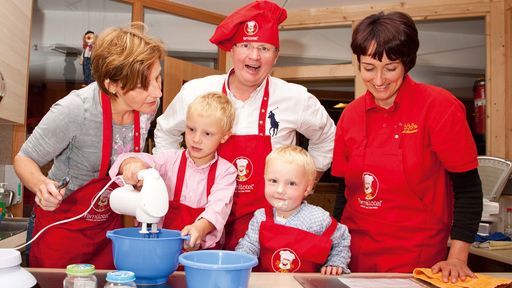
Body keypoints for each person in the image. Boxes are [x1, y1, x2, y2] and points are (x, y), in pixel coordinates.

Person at [154, 0, 336, 250]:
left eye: (264, 48)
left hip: (266, 227)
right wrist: (176, 182)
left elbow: (327, 137)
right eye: (246, 45)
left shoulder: (296, 98)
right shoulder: (195, 91)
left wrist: (309, 179)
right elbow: (165, 132)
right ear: (231, 49)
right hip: (200, 221)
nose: (254, 55)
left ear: (276, 56)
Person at [331, 11, 483, 283]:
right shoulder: (350, 116)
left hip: (419, 261)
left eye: (390, 68)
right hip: (354, 259)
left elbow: (468, 188)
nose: (378, 80)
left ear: (407, 63)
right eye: (368, 67)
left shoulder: (439, 107)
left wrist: (458, 257)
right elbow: (345, 192)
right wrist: (335, 249)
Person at [14, 22, 165, 268]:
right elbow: (23, 158)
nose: (157, 92)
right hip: (62, 229)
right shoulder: (75, 110)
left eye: (158, 78)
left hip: (106, 229)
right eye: (144, 85)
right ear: (113, 85)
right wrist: (42, 186)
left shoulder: (147, 107)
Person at [109, 92, 237, 250]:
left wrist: (199, 228)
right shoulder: (169, 160)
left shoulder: (226, 172)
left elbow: (218, 210)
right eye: (191, 129)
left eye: (207, 133)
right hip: (161, 250)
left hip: (201, 254)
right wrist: (132, 165)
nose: (196, 139)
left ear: (224, 136)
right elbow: (134, 159)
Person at [236, 145, 351, 275]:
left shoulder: (318, 218)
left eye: (291, 184)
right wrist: (240, 259)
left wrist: (336, 262)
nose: (280, 190)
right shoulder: (260, 217)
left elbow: (341, 241)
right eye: (273, 181)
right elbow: (249, 246)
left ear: (307, 188)